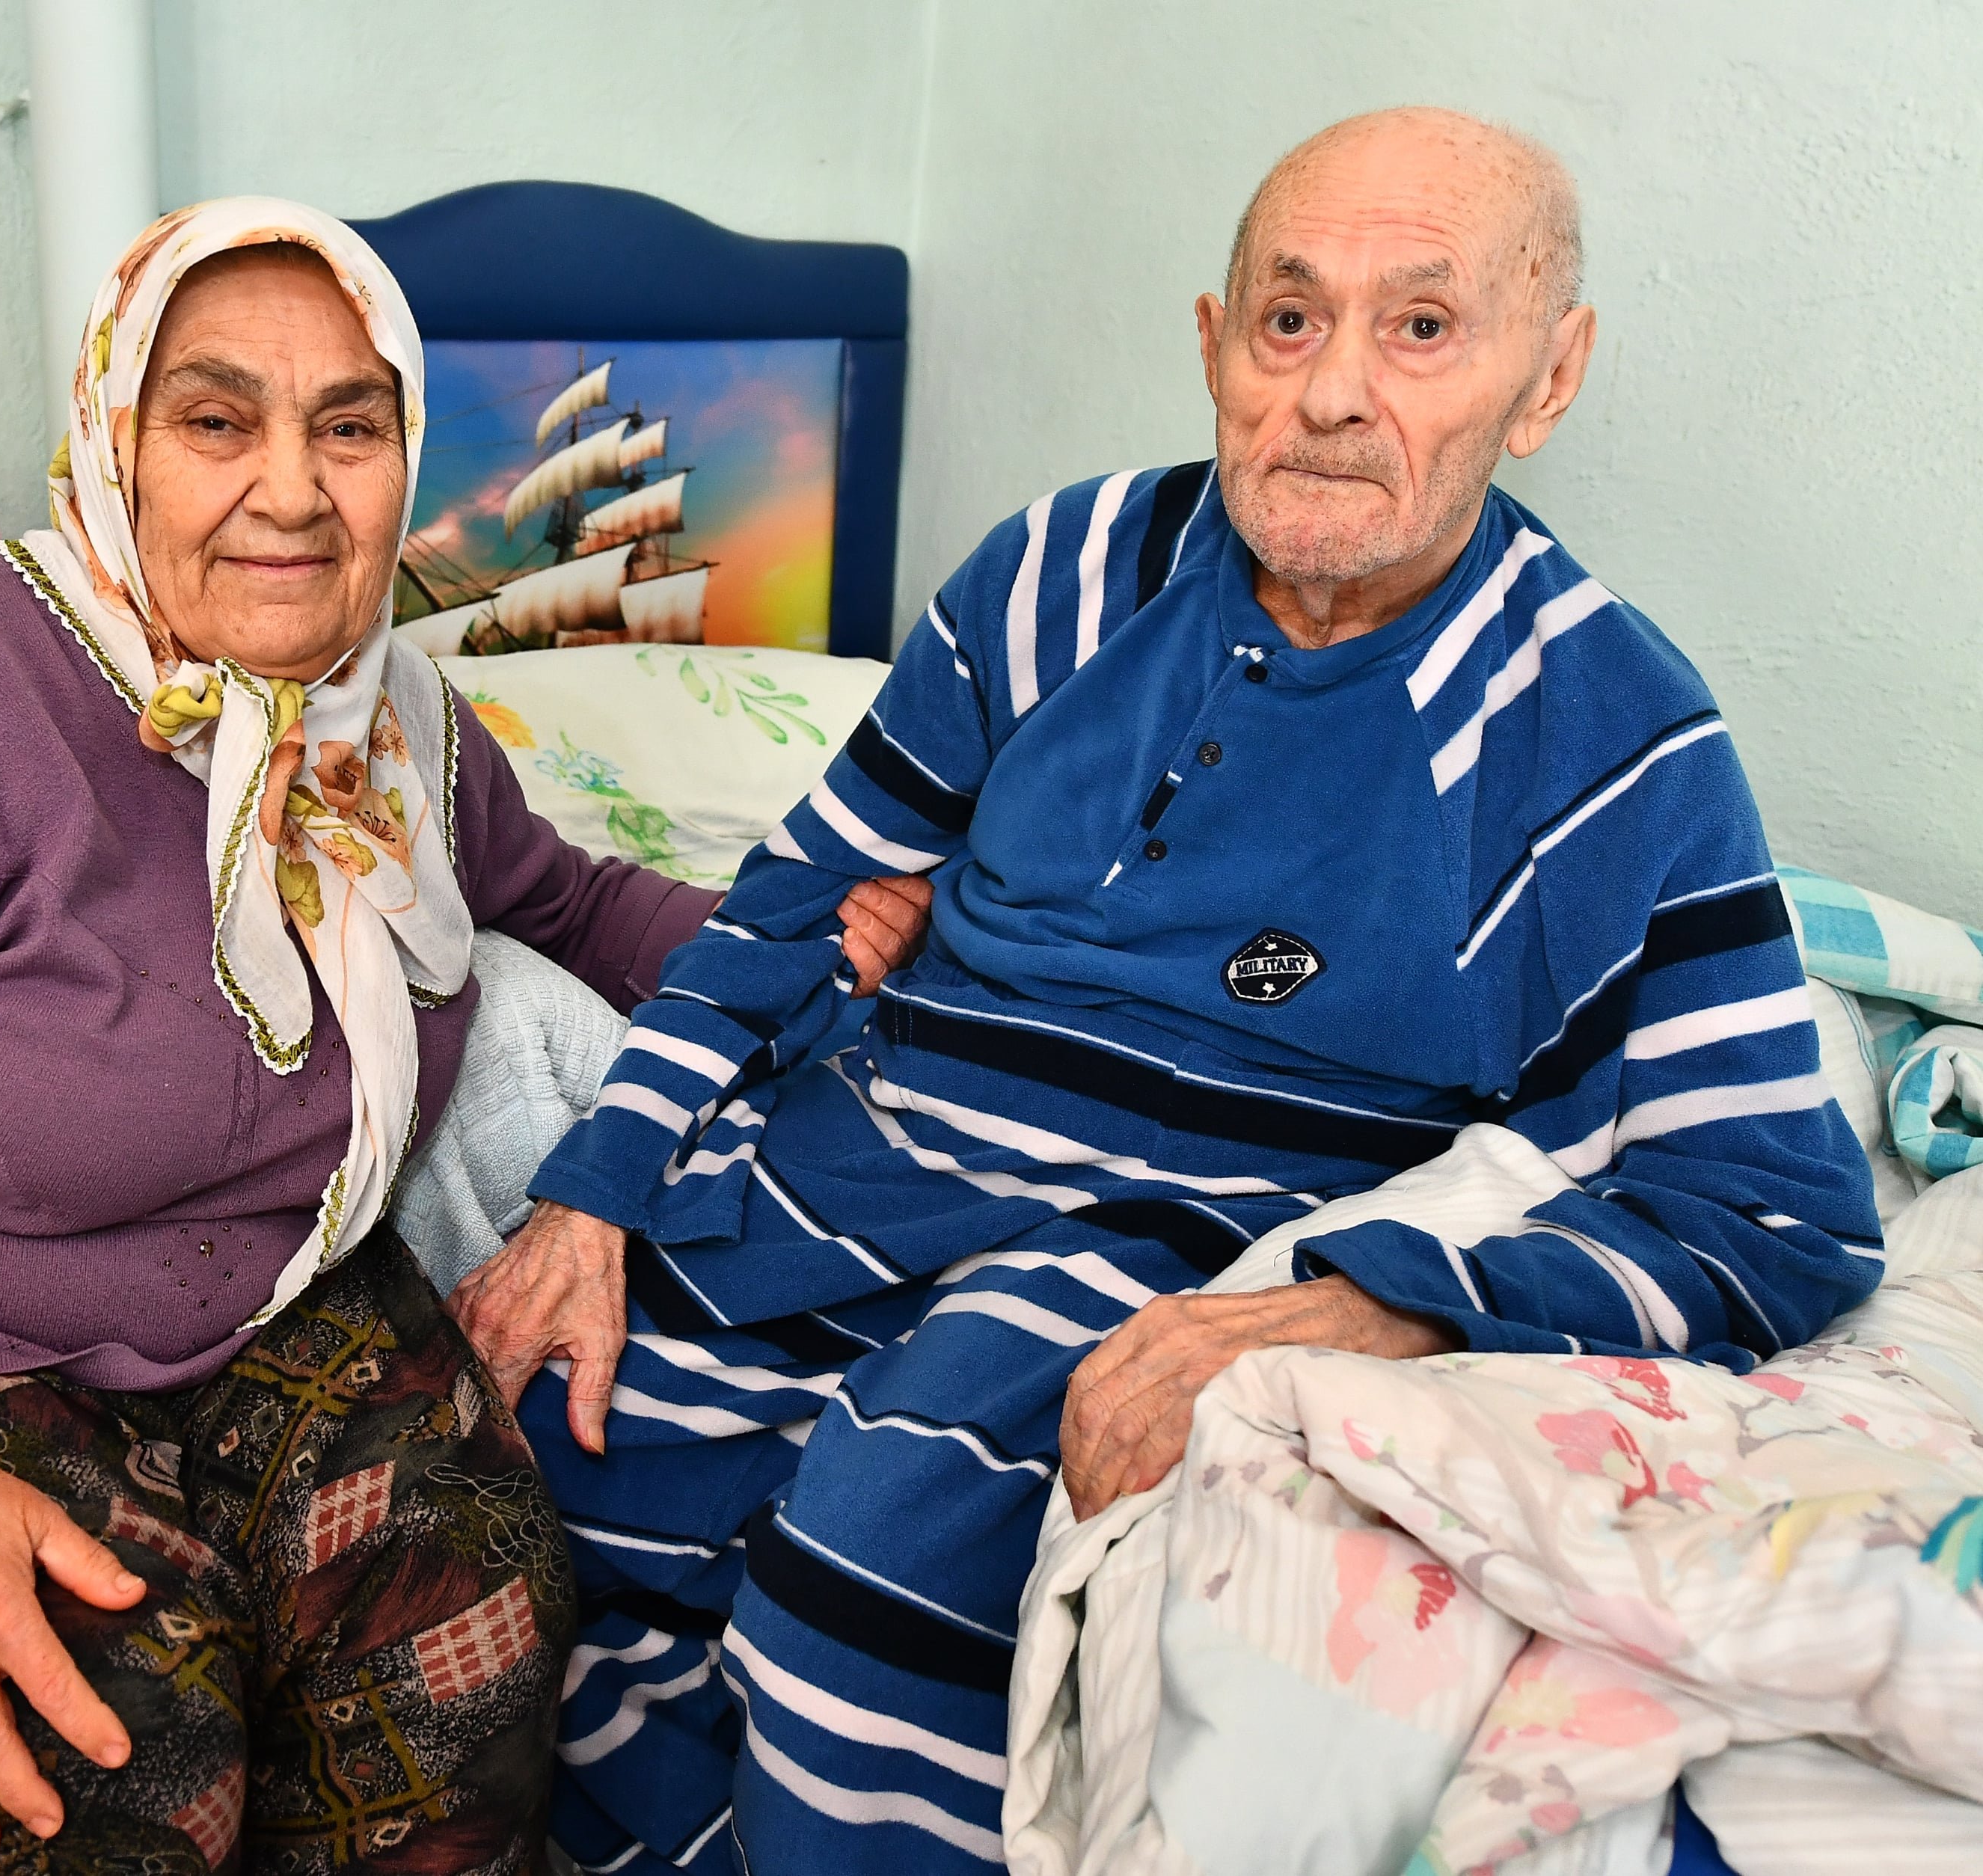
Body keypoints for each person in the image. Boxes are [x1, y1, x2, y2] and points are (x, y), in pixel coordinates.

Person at [450, 108, 1885, 1874]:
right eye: (1290, 319)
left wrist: (1358, 1315)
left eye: (1422, 327)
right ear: (1214, 343)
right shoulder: (1055, 575)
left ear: (1550, 377)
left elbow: (1775, 1217)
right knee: (504, 1470)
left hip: (1176, 1238)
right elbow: (794, 899)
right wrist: (593, 1197)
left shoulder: (1608, 734)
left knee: (866, 1577)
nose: (1334, 392)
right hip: (865, 1157)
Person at [0, 195, 920, 1874]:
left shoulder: (394, 730)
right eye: (215, 423)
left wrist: (820, 932)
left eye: (350, 428)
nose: (291, 491)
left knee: (474, 1639)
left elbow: (573, 903)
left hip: (253, 1322)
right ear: (115, 443)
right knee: (99, 1765)